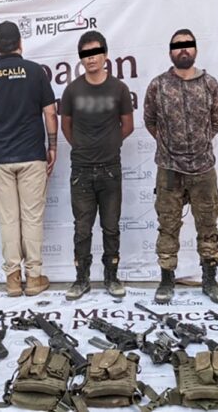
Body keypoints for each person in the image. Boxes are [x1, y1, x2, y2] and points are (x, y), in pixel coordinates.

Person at [0, 21, 58, 297]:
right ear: (20, 43)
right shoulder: (35, 71)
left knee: (9, 220)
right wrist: (53, 146)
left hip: (1, 158)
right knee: (31, 218)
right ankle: (33, 278)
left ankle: (11, 279)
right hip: (32, 155)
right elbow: (50, 113)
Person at [143, 29, 218, 305]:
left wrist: (199, 144)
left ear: (195, 50)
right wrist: (169, 144)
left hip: (203, 169)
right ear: (170, 52)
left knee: (208, 224)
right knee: (168, 225)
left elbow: (216, 121)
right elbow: (150, 121)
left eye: (188, 45)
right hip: (169, 169)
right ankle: (167, 280)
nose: (183, 50)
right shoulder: (158, 85)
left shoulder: (209, 84)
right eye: (178, 46)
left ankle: (210, 279)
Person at [60, 31, 134, 300]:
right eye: (85, 54)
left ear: (105, 55)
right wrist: (83, 146)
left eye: (95, 53)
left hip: (110, 169)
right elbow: (66, 126)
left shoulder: (119, 89)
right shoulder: (72, 90)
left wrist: (109, 143)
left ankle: (111, 278)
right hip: (81, 171)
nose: (91, 58)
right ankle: (82, 280)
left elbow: (128, 125)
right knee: (82, 229)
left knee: (111, 227)